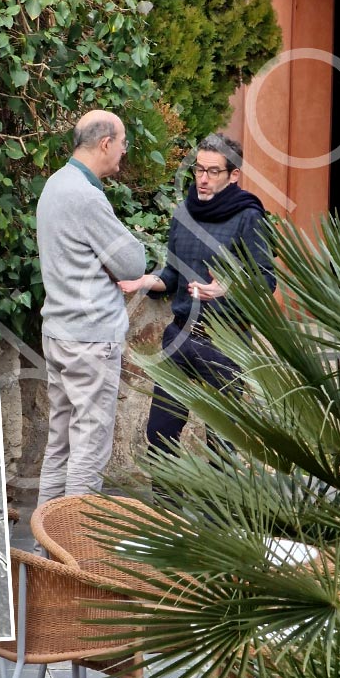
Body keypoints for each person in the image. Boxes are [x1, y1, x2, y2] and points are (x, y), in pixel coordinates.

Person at [119, 133, 275, 452]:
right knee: (160, 434)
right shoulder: (183, 214)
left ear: (233, 175)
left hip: (225, 343)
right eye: (198, 170)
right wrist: (147, 282)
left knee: (222, 441)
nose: (202, 179)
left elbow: (266, 281)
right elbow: (173, 275)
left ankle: (223, 502)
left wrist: (226, 287)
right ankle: (165, 504)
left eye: (212, 172)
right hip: (179, 336)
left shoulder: (249, 217)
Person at [34, 110, 148, 505]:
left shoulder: (55, 183)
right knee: (89, 450)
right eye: (123, 144)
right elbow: (133, 263)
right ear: (105, 143)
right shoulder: (85, 196)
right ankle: (75, 555)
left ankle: (48, 557)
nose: (123, 152)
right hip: (90, 339)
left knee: (60, 445)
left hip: (60, 333)